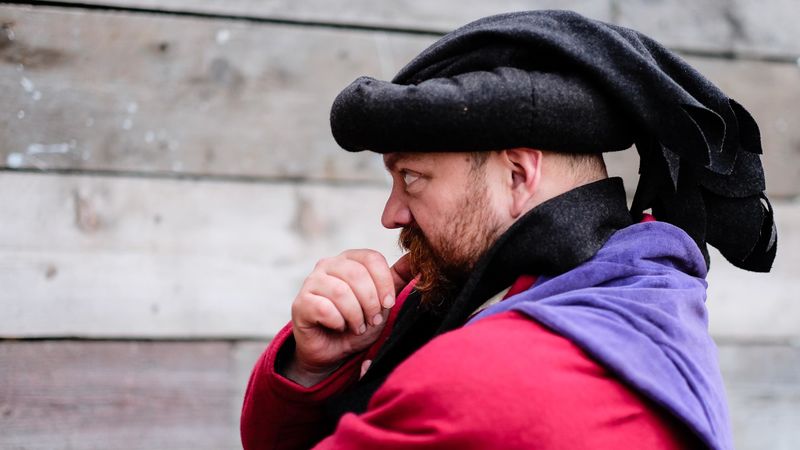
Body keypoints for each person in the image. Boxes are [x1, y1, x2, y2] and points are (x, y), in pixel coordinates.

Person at [240, 10, 777, 450]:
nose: (392, 214)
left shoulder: (483, 380)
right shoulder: (639, 294)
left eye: (412, 177)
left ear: (518, 175)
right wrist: (313, 370)